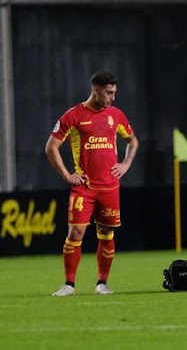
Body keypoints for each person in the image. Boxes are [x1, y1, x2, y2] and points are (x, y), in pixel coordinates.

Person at [45, 71, 139, 296]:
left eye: (115, 92)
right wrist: (68, 175)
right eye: (109, 92)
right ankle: (69, 284)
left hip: (110, 187)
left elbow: (133, 141)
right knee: (76, 232)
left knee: (106, 234)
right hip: (84, 187)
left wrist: (125, 164)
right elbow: (51, 147)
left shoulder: (116, 115)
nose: (113, 97)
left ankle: (102, 284)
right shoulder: (73, 115)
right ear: (95, 90)